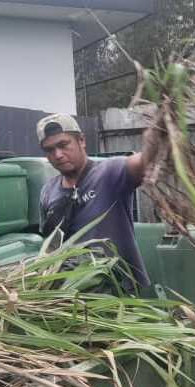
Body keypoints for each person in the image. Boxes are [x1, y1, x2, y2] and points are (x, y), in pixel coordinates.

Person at [35, 113, 159, 293]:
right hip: (72, 296)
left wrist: (161, 132)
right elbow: (49, 247)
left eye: (63, 145)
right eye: (49, 150)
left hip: (116, 294)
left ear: (81, 141)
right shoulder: (48, 191)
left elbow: (145, 161)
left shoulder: (110, 172)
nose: (58, 155)